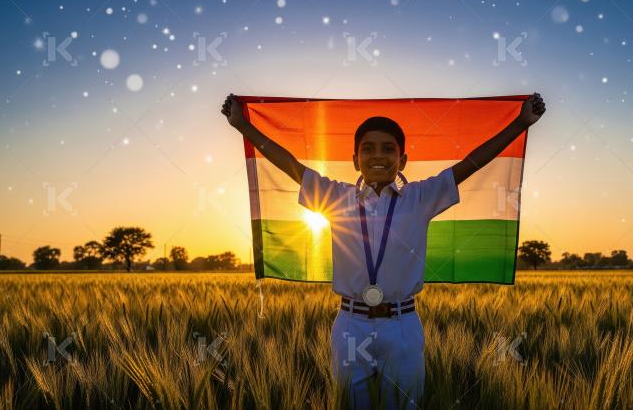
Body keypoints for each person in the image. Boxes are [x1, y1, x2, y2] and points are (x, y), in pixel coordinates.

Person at [221, 93, 546, 408]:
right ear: (355, 160)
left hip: (402, 325)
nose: (378, 155)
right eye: (368, 148)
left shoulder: (420, 198)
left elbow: (470, 164)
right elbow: (290, 165)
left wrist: (520, 124)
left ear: (402, 160)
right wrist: (242, 125)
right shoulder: (335, 197)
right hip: (350, 325)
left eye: (389, 149)